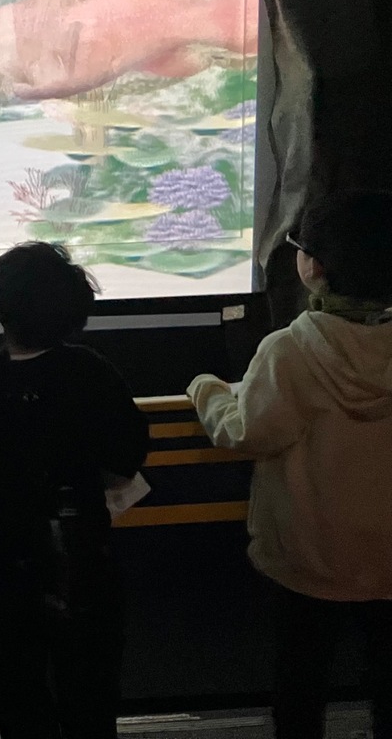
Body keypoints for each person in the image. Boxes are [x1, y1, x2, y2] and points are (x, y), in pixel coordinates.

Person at [186, 191, 392, 739]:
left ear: (313, 267)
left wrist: (207, 389)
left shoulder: (290, 350)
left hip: (310, 558)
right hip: (388, 557)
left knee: (301, 681)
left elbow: (246, 431)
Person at [0, 243, 148, 739]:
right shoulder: (89, 370)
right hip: (83, 562)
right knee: (91, 699)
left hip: (3, 568)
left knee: (20, 699)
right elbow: (124, 458)